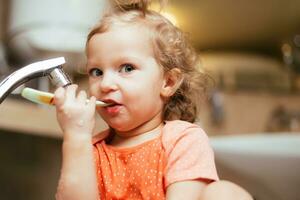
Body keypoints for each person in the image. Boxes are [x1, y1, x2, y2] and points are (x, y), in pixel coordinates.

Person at [54, 0, 253, 199]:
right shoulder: (90, 152)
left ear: (168, 82)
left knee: (223, 193)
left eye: (127, 68)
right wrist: (76, 137)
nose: (105, 84)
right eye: (96, 72)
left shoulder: (183, 141)